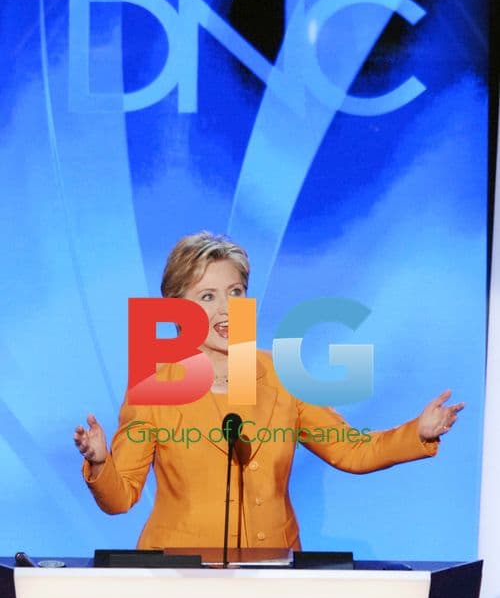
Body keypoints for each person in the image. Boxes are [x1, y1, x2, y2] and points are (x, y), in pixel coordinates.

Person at [74, 232, 463, 551]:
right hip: (180, 575)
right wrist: (100, 460)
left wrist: (418, 432)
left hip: (274, 572)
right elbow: (120, 498)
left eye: (235, 292)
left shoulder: (281, 374)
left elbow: (350, 450)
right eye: (207, 296)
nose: (226, 308)